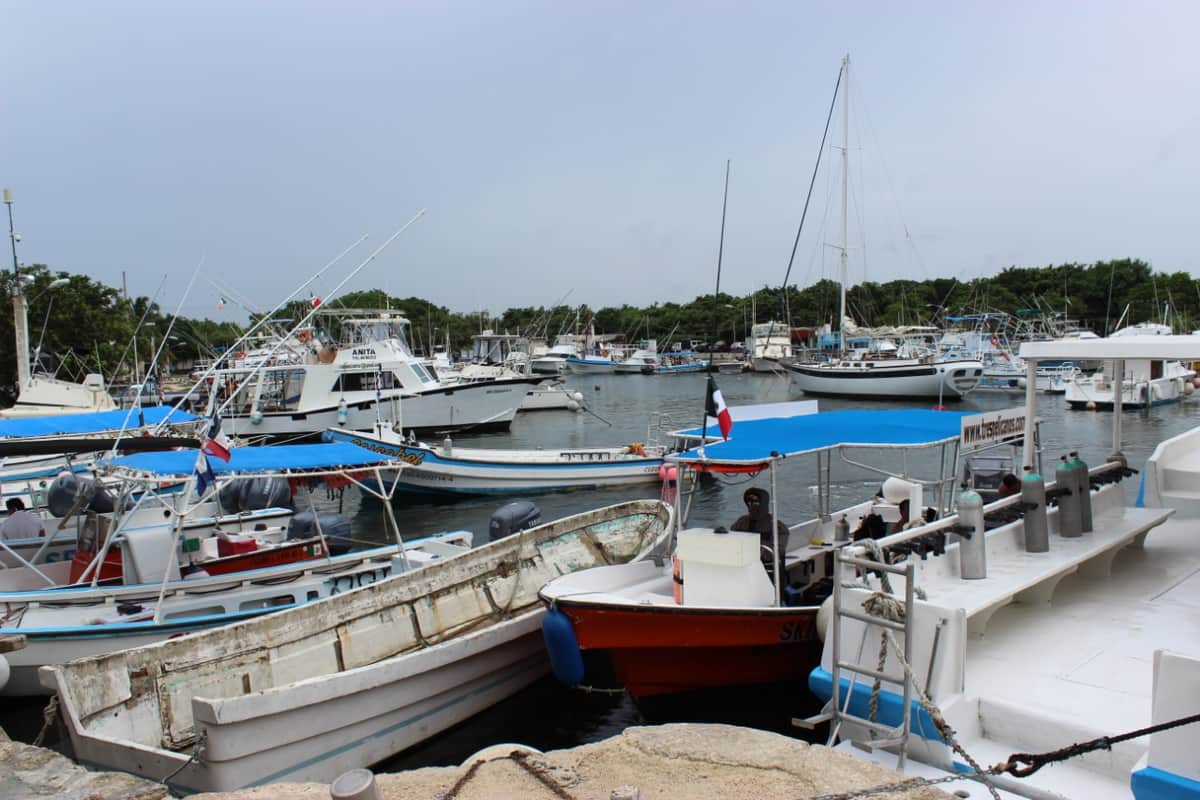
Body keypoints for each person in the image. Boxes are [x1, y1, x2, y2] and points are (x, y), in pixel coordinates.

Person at [730, 487, 790, 570]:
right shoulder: (741, 522)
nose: (752, 506)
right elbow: (731, 540)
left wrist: (755, 548)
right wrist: (722, 535)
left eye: (756, 503)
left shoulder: (778, 527)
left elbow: (775, 553)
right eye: (750, 503)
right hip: (744, 569)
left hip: (768, 572)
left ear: (764, 504)